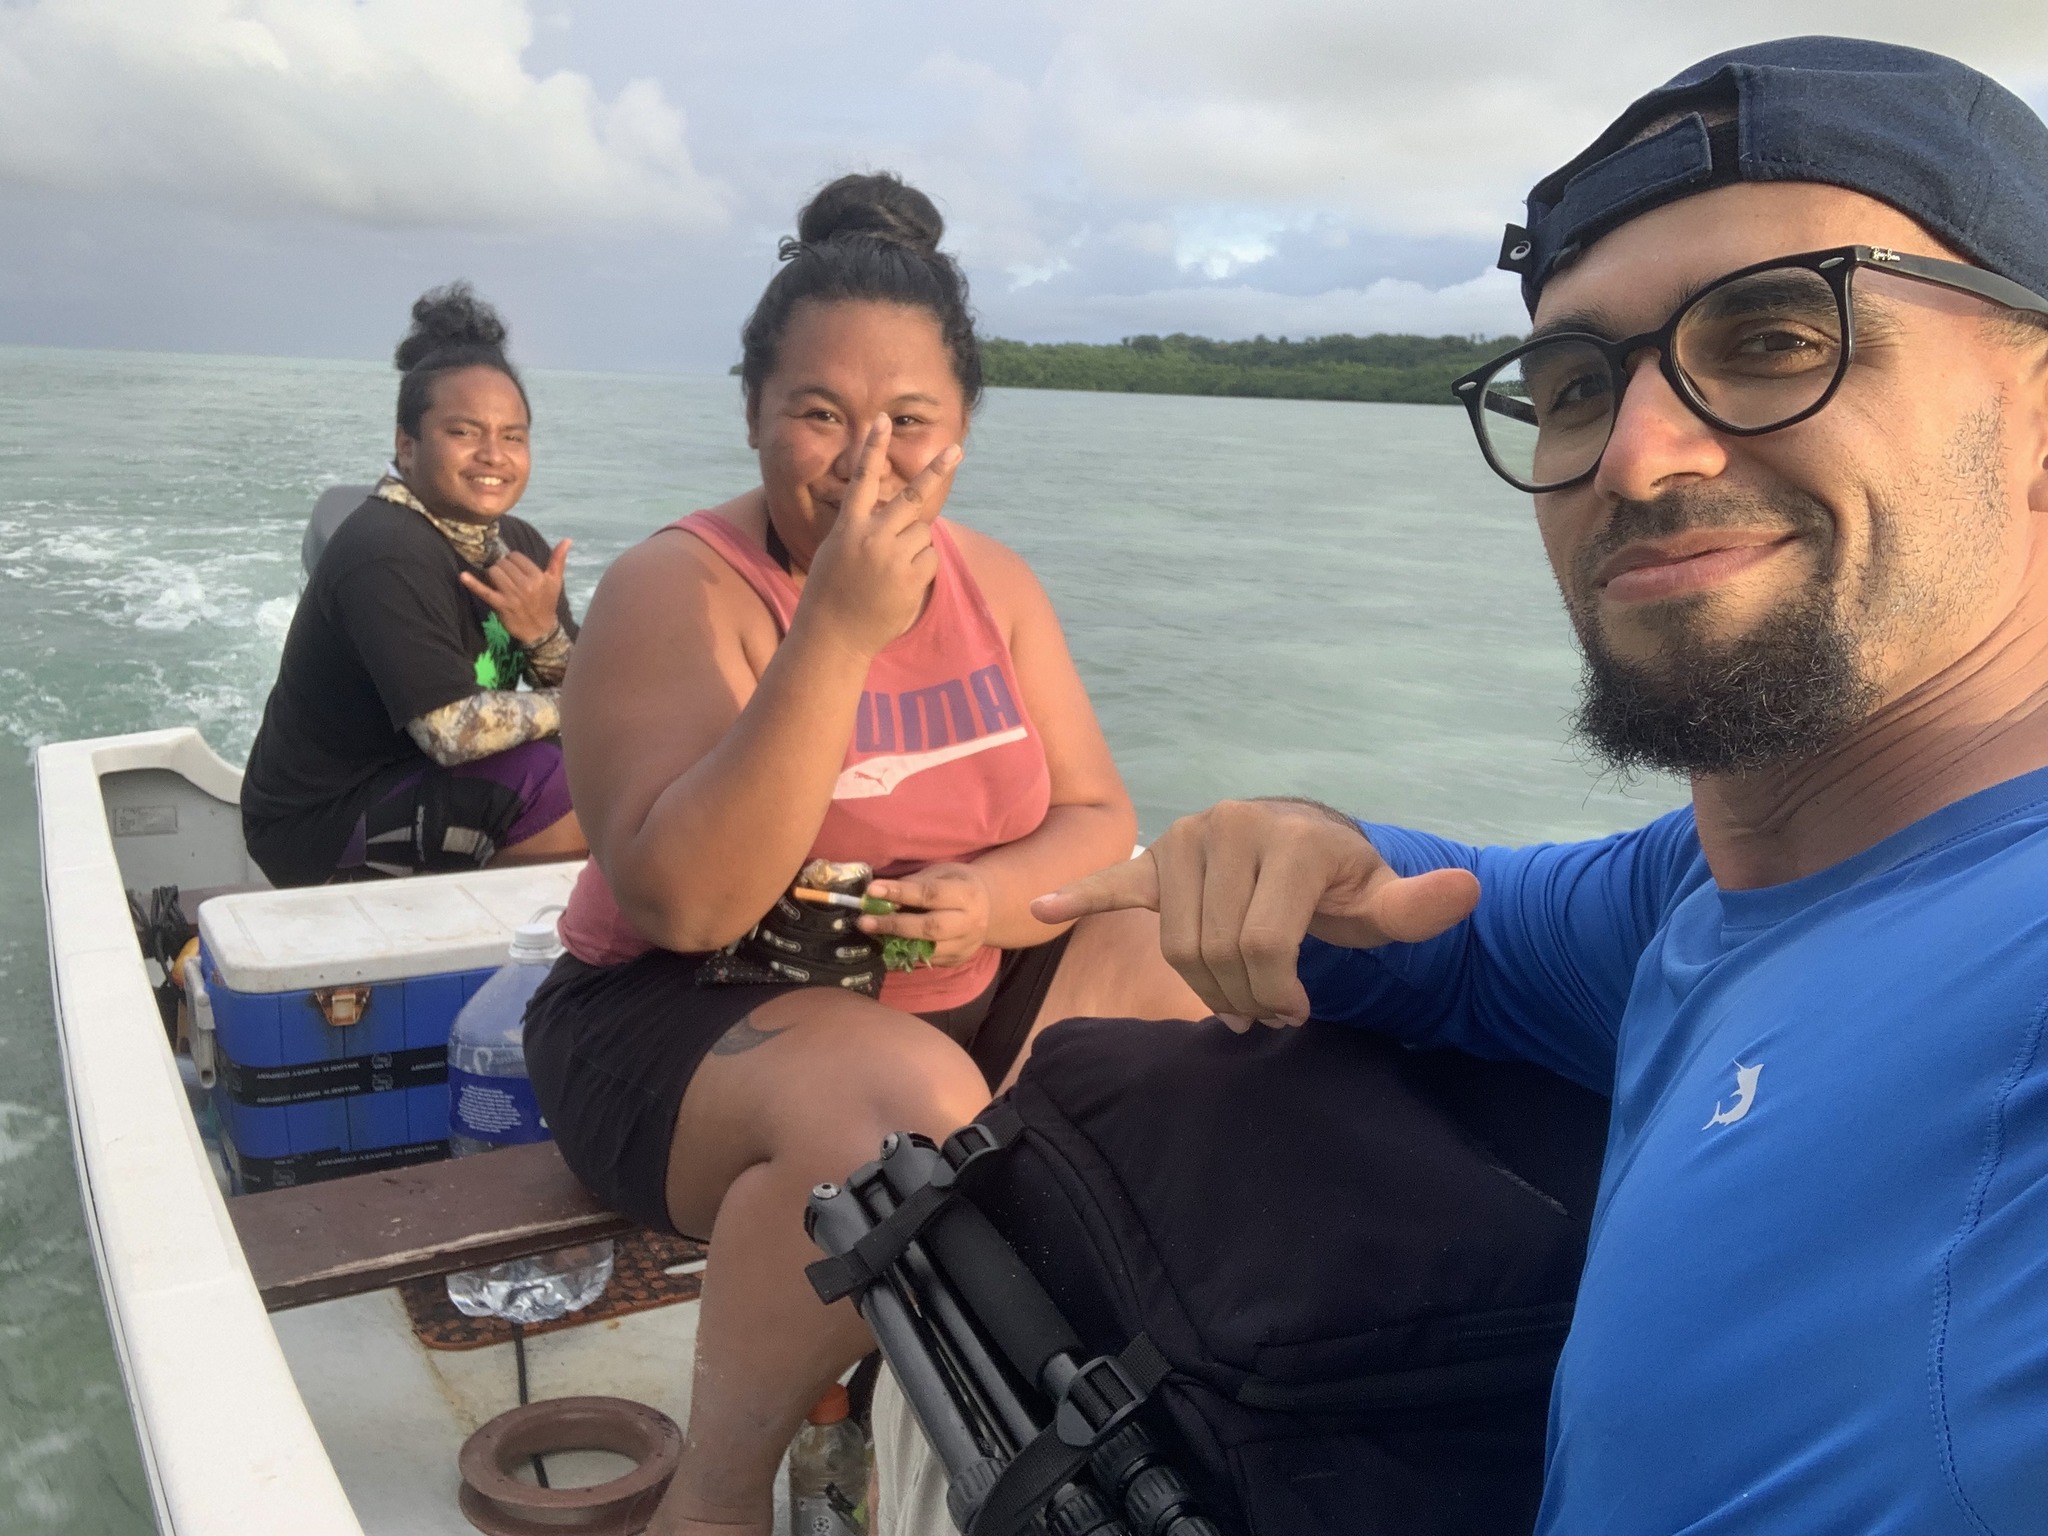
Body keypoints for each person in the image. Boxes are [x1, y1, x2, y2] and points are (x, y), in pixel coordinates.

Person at [1033, 35, 2048, 1535]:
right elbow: (1463, 929)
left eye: (1775, 337)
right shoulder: (1710, 884)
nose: (1636, 458)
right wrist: (1312, 844)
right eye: (1576, 383)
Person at [524, 172, 1204, 1536]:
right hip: (689, 1021)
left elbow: (1094, 822)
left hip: (950, 1003)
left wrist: (989, 900)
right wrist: (833, 632)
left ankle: (1136, 1384)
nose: (864, 462)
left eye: (911, 423)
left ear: (961, 435)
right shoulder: (683, 588)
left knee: (1164, 944)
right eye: (820, 416)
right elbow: (682, 896)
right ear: (755, 414)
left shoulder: (997, 586)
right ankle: (713, 1503)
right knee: (896, 1105)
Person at [241, 283, 586, 886]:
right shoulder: (383, 549)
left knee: (607, 758)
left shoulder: (520, 544)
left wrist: (543, 636)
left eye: (513, 436)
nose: (493, 455)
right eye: (464, 432)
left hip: (429, 786)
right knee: (556, 777)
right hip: (317, 827)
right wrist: (577, 706)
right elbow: (454, 731)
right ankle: (510, 953)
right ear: (408, 446)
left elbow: (586, 682)